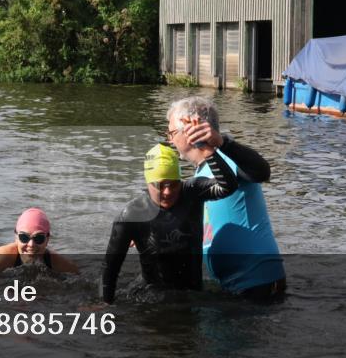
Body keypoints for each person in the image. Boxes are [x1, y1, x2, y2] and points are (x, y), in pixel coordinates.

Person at [166, 96, 286, 300]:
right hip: (231, 287)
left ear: (190, 130)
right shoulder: (200, 176)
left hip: (258, 282)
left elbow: (262, 172)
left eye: (172, 133)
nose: (169, 139)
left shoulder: (229, 159)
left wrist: (221, 142)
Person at [100, 142, 238, 304]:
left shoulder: (192, 191)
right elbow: (111, 267)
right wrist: (105, 304)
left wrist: (209, 152)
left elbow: (229, 186)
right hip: (150, 298)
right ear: (148, 183)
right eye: (160, 185)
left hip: (192, 293)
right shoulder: (132, 214)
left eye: (174, 184)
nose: (168, 192)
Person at [0, 208, 79, 278]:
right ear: (16, 237)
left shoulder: (58, 263)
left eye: (38, 238)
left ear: (47, 239)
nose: (31, 245)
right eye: (24, 237)